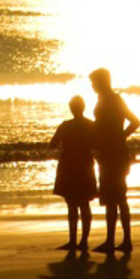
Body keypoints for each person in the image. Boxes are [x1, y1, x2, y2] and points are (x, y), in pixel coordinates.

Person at [89, 67, 140, 253]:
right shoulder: (104, 99)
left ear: (102, 82)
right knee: (112, 197)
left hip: (115, 154)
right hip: (107, 153)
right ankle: (113, 240)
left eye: (94, 82)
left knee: (117, 197)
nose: (92, 86)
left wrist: (120, 137)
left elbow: (135, 121)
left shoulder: (114, 99)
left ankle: (123, 240)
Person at [49, 95, 97, 251]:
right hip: (85, 165)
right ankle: (84, 241)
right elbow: (98, 144)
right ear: (83, 108)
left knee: (71, 205)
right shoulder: (91, 125)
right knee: (84, 204)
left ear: (71, 108)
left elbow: (53, 144)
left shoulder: (66, 125)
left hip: (68, 165)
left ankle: (72, 240)